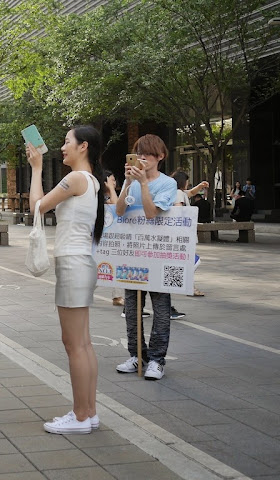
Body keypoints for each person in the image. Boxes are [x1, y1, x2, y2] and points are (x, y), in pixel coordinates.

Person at [28, 125, 104, 435]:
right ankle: (89, 412)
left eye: (67, 142)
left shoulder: (75, 179)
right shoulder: (92, 181)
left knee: (74, 345)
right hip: (82, 262)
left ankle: (80, 416)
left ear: (83, 146)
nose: (63, 147)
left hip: (73, 264)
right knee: (83, 344)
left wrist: (36, 169)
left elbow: (38, 206)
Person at [116, 134, 178, 381]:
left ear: (160, 156)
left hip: (159, 253)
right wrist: (129, 182)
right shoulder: (131, 179)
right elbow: (119, 210)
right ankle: (137, 355)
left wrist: (142, 184)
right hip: (133, 253)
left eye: (148, 154)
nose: (142, 158)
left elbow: (152, 214)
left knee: (161, 309)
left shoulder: (167, 184)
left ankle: (156, 360)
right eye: (138, 153)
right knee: (132, 309)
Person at [171, 171, 208, 297]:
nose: (188, 184)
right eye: (187, 181)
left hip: (181, 234)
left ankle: (189, 286)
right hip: (182, 234)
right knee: (193, 261)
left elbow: (191, 192)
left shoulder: (178, 192)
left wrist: (200, 186)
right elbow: (178, 210)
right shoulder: (178, 194)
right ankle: (186, 285)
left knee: (188, 261)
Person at [103, 170, 124, 307]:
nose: (114, 182)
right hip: (101, 239)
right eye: (111, 180)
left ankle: (117, 296)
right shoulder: (101, 197)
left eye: (115, 180)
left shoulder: (109, 195)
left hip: (111, 238)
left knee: (114, 266)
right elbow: (116, 207)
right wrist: (111, 189)